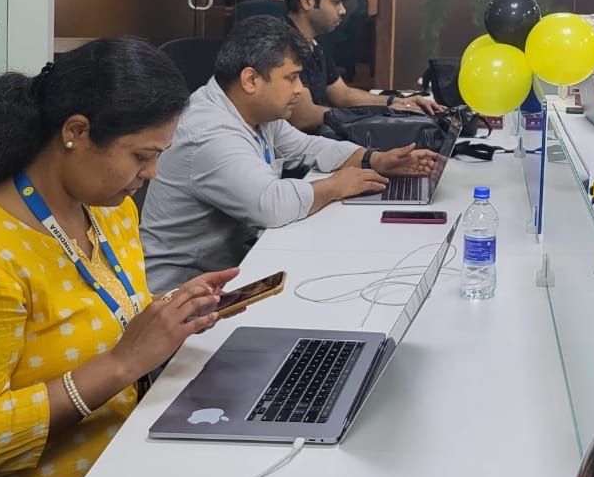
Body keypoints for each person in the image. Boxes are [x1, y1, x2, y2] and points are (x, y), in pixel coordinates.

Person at [0, 40, 239, 477]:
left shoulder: (110, 210)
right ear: (77, 132)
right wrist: (120, 366)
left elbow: (104, 316)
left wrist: (171, 313)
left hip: (135, 460)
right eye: (140, 156)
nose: (151, 173)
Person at [141, 16, 436, 294]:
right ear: (251, 80)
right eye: (292, 78)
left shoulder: (253, 111)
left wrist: (374, 158)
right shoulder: (209, 132)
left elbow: (306, 147)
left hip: (231, 271)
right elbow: (270, 205)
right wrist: (336, 186)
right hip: (182, 298)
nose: (300, 90)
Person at [280, 0, 441, 131]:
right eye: (336, 2)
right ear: (307, 1)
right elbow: (305, 117)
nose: (343, 11)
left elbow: (343, 95)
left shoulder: (313, 44)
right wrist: (380, 113)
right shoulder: (284, 47)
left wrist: (397, 102)